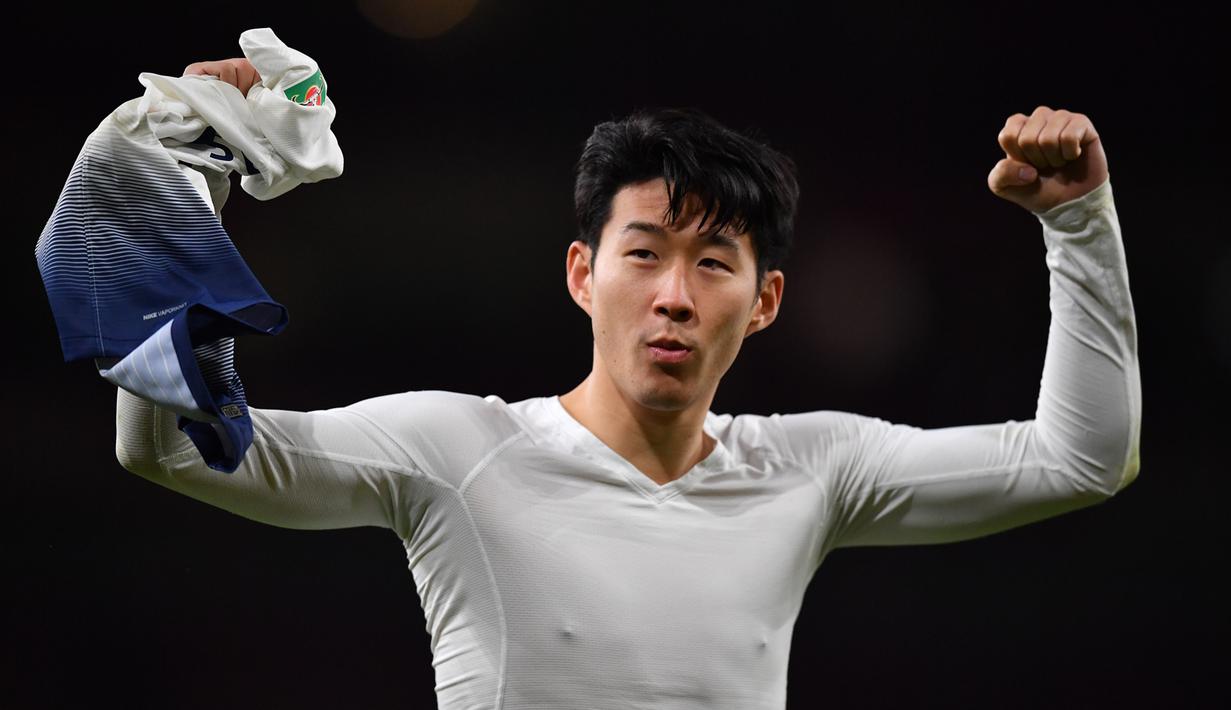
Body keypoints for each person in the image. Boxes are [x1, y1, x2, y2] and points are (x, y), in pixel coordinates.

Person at [113, 58, 1141, 709]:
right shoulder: (456, 451)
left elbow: (1081, 457)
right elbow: (164, 443)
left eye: (713, 263)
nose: (675, 296)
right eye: (643, 253)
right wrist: (188, 177)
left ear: (767, 298)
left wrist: (1078, 219)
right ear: (581, 274)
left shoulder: (814, 467)